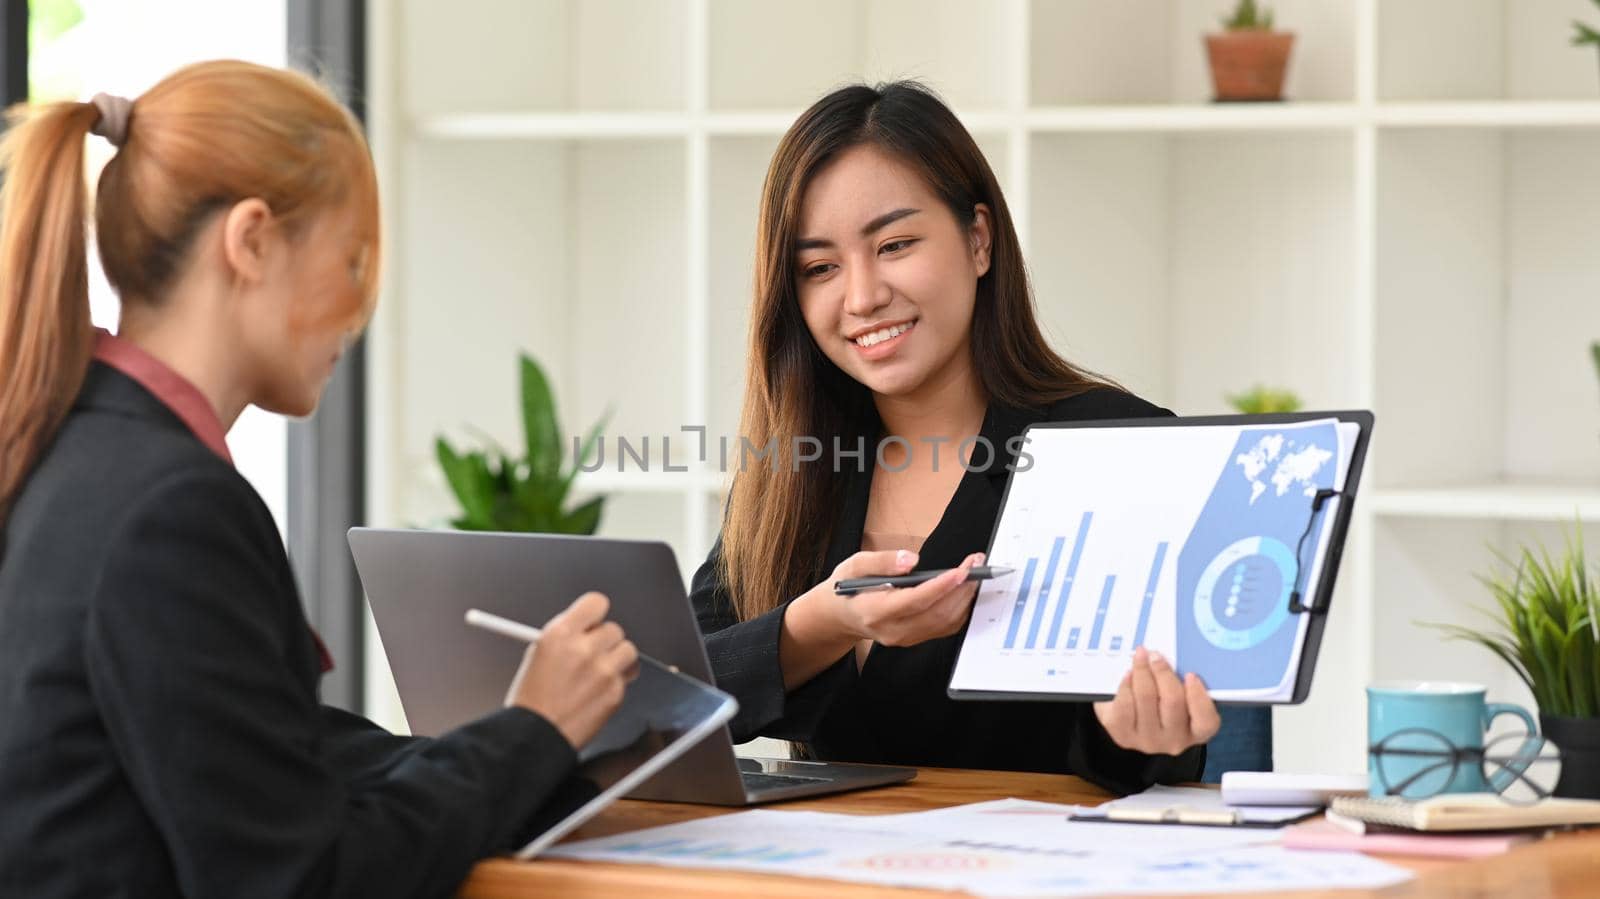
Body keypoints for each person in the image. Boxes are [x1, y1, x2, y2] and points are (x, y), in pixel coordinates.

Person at [0, 61, 636, 898]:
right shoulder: (171, 507)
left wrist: (521, 744)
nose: (358, 310)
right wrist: (536, 728)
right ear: (253, 240)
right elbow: (303, 877)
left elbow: (255, 745)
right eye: (352, 261)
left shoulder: (68, 447)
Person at [691, 82, 1220, 794]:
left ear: (978, 239)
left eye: (896, 244)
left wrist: (1144, 732)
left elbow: (1144, 770)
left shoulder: (1119, 448)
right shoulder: (800, 469)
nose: (861, 295)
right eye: (820, 268)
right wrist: (823, 620)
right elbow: (674, 693)